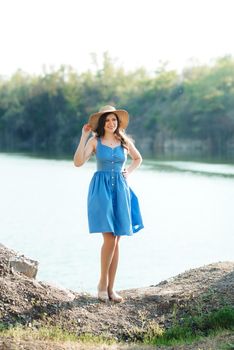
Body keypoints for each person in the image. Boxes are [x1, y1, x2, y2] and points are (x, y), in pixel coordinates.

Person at [73, 105, 144, 303]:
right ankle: (101, 284)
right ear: (102, 124)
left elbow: (138, 159)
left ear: (117, 122)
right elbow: (78, 162)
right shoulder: (95, 141)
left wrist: (128, 172)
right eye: (107, 121)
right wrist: (83, 137)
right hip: (101, 191)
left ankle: (111, 289)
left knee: (117, 240)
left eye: (114, 120)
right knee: (110, 239)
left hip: (120, 190)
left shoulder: (124, 141)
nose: (111, 123)